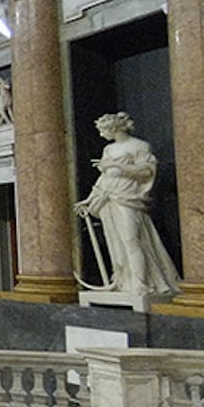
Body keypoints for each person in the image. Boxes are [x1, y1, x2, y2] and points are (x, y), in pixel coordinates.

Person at [77, 112, 181, 296]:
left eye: (103, 130)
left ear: (113, 128)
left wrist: (118, 166)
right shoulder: (108, 150)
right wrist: (90, 198)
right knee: (116, 243)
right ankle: (125, 281)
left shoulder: (139, 146)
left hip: (128, 198)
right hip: (108, 198)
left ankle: (142, 284)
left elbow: (147, 171)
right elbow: (105, 177)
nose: (101, 135)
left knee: (132, 240)